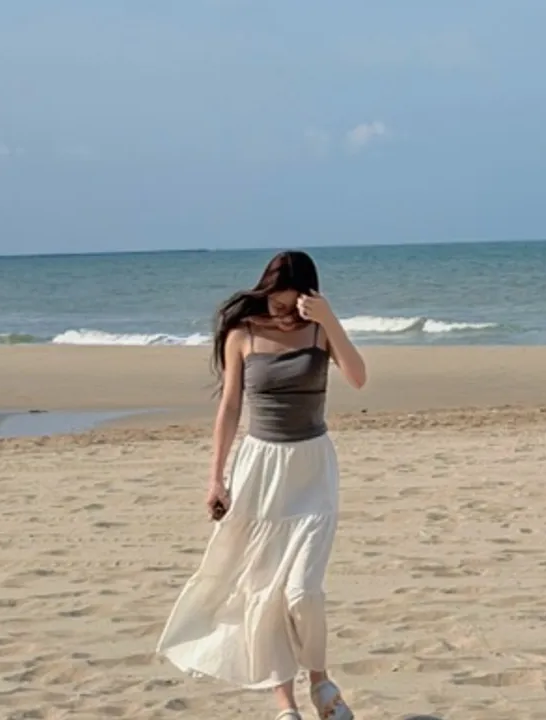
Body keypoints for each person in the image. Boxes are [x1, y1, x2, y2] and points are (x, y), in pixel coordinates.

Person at [156, 250, 367, 720]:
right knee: (263, 591)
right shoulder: (243, 334)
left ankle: (320, 679)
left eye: (291, 302)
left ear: (308, 296)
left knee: (302, 591)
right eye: (275, 300)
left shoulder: (319, 331)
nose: (282, 310)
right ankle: (285, 704)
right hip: (260, 471)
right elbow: (230, 407)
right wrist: (216, 478)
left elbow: (358, 378)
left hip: (313, 470)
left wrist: (329, 319)